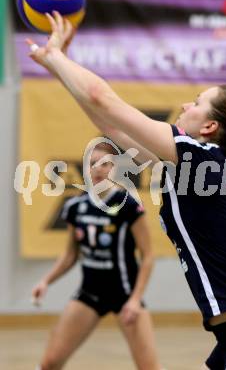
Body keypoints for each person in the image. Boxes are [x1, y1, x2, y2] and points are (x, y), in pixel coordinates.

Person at [27, 12, 226, 369]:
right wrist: (60, 67)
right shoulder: (192, 167)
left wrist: (56, 57)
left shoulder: (202, 158)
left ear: (209, 126)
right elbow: (108, 124)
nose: (186, 105)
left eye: (197, 100)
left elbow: (103, 97)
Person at [31, 142, 161, 370]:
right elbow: (70, 255)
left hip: (125, 296)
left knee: (149, 367)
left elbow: (148, 256)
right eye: (93, 164)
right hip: (90, 293)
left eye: (105, 164)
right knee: (49, 363)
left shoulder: (128, 206)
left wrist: (134, 299)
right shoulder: (75, 206)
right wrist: (46, 281)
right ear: (85, 168)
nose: (99, 169)